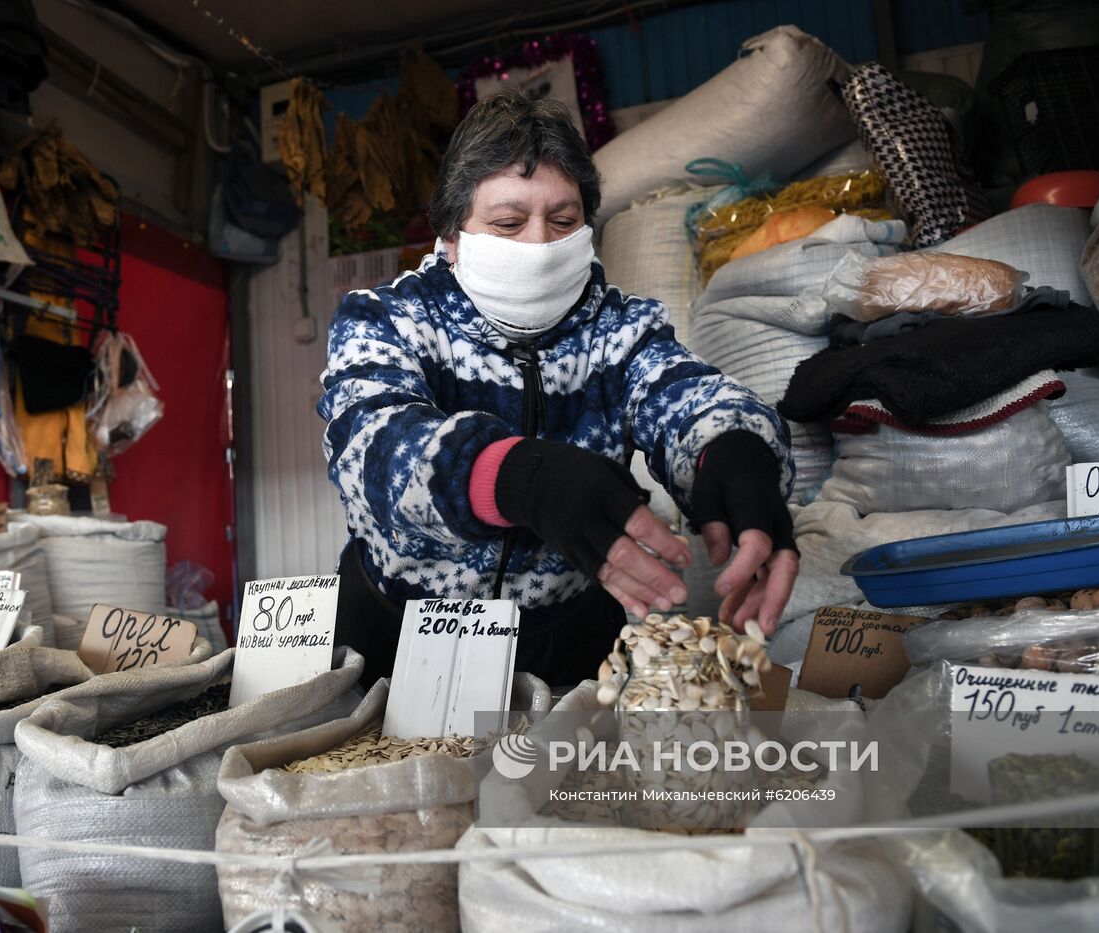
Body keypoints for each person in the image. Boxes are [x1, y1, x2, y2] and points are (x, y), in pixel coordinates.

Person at [320, 90, 798, 688]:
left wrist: (736, 452)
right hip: (397, 639)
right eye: (508, 222)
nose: (540, 245)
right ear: (451, 234)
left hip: (565, 645)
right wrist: (518, 478)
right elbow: (372, 444)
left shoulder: (619, 330)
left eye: (564, 220)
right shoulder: (386, 318)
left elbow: (687, 398)